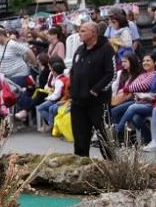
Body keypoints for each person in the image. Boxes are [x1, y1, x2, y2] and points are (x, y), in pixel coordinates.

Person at [69, 22, 115, 158]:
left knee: (104, 137)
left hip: (97, 102)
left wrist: (96, 90)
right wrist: (72, 90)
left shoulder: (106, 49)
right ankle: (82, 167)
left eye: (83, 31)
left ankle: (112, 168)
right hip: (78, 102)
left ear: (93, 33)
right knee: (80, 138)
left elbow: (111, 74)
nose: (79, 33)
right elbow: (73, 71)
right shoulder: (79, 51)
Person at [36, 58, 69, 133]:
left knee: (41, 108)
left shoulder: (59, 81)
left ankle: (52, 124)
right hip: (60, 98)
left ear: (54, 72)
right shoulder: (63, 77)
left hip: (59, 99)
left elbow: (56, 95)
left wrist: (48, 98)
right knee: (49, 107)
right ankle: (52, 124)